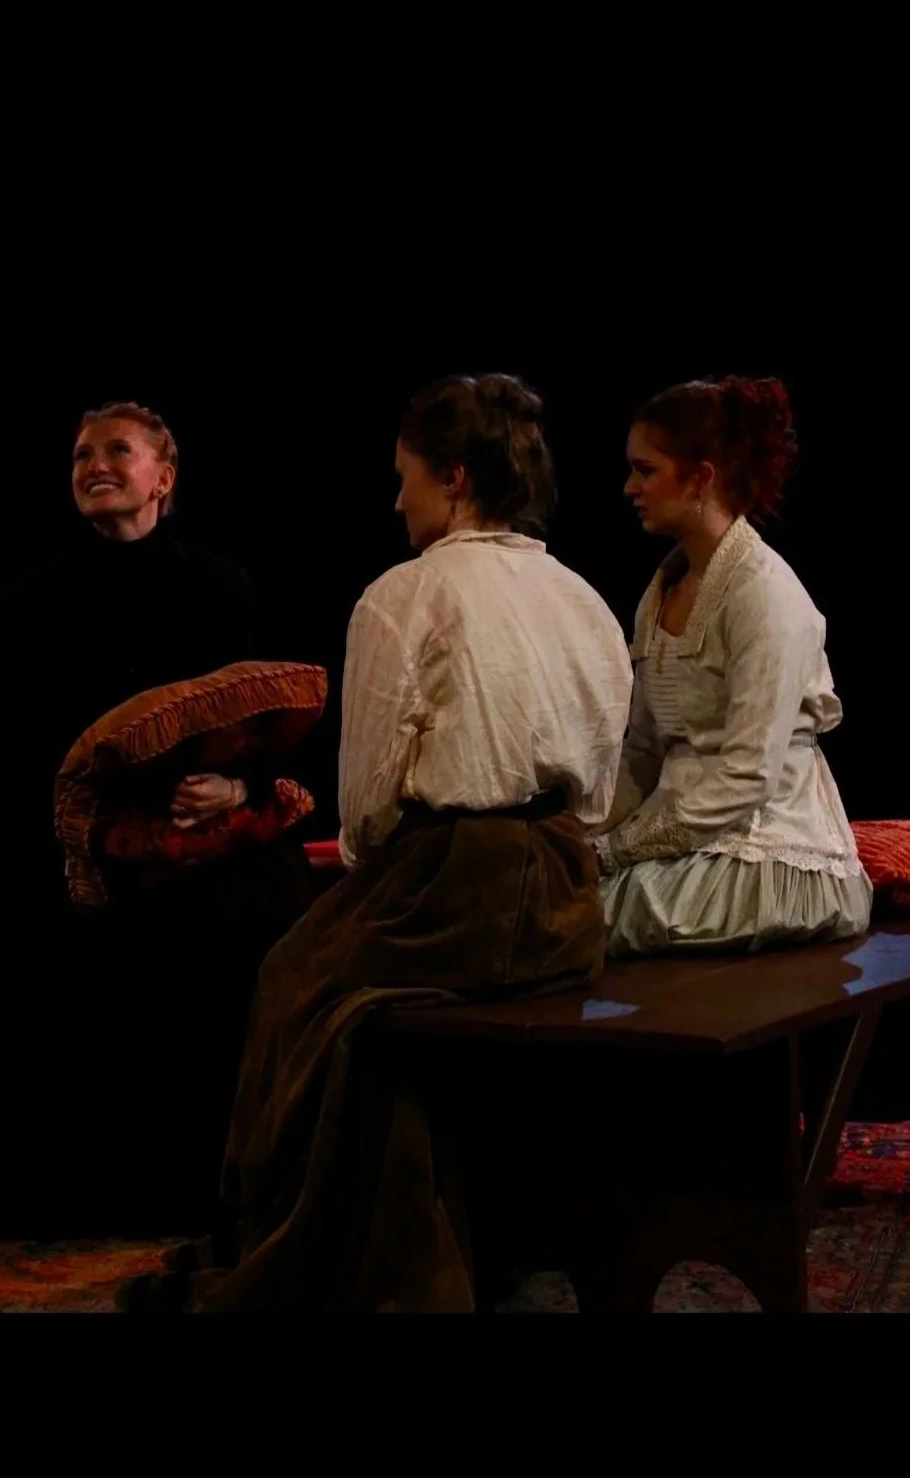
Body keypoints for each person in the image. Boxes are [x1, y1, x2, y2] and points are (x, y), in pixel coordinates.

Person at [122, 373, 633, 1312]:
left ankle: (294, 1242)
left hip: (450, 884)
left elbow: (364, 806)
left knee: (292, 983)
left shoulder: (405, 594)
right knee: (361, 1022)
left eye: (405, 479)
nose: (396, 500)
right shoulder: (582, 595)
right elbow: (604, 780)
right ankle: (423, 1240)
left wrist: (372, 875)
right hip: (566, 892)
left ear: (454, 476)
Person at [0, 401, 314, 1234]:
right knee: (1, 948)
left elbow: (266, 730)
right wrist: (2, 883)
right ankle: (50, 1205)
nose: (94, 464)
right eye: (81, 455)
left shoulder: (221, 586)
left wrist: (235, 793)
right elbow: (15, 759)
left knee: (254, 932)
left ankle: (224, 1196)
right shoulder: (33, 598)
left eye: (116, 452)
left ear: (162, 477)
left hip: (197, 850)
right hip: (78, 851)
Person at [592, 375, 872, 955]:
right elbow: (644, 750)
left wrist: (619, 850)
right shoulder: (661, 591)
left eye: (646, 470)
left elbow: (747, 774)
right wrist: (587, 834)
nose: (629, 486)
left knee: (595, 919)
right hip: (680, 838)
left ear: (701, 477)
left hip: (766, 851)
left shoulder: (763, 593)